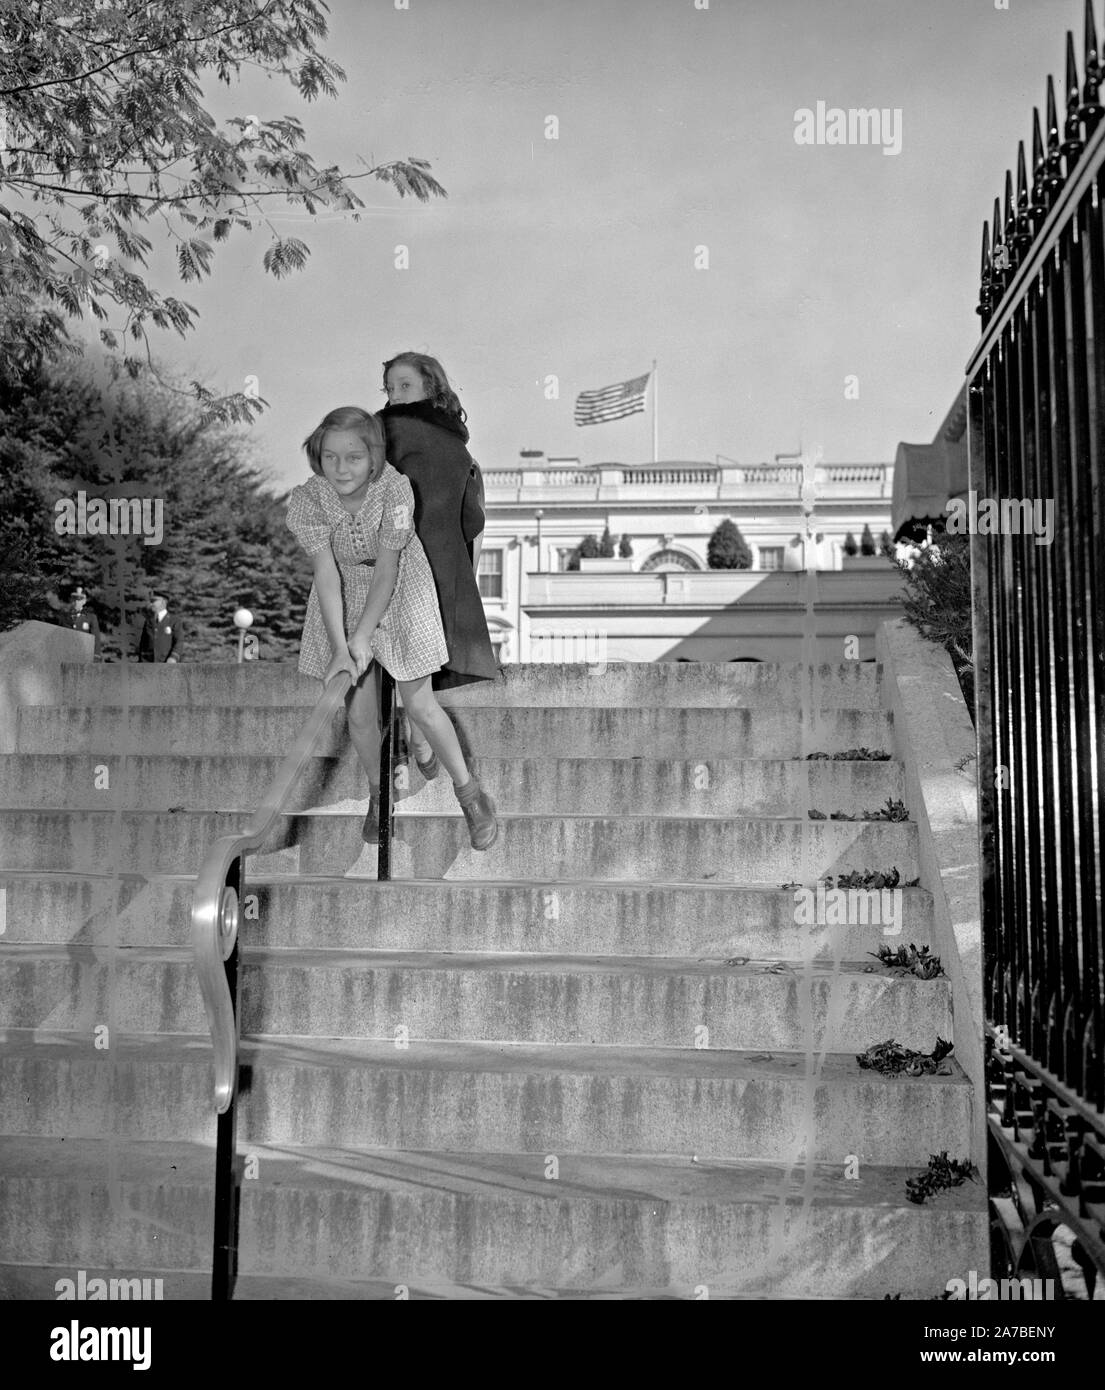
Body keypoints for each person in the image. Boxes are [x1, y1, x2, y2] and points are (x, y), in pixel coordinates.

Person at [285, 405, 498, 850]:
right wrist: (343, 647)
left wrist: (364, 637)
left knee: (419, 705)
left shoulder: (395, 489)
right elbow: (326, 575)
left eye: (354, 457)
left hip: (400, 587)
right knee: (359, 713)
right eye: (330, 457)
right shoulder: (308, 500)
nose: (341, 468)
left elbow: (387, 569)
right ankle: (380, 794)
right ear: (317, 457)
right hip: (344, 589)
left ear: (375, 456)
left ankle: (470, 794)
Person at [377, 351, 502, 774]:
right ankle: (416, 739)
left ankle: (409, 745)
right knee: (417, 654)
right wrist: (465, 581)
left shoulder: (384, 431)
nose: (394, 396)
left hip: (402, 554)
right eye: (390, 388)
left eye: (404, 386)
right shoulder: (462, 450)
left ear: (430, 387)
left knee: (395, 648)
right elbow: (475, 524)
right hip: (442, 562)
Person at [137, 593, 180, 663]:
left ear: (163, 602)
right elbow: (143, 644)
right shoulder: (148, 621)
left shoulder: (174, 621)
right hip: (147, 665)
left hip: (166, 663)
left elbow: (179, 641)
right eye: (151, 601)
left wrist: (174, 657)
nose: (151, 604)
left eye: (154, 601)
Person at [65, 586, 102, 659]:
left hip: (84, 654)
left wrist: (96, 654)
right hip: (67, 654)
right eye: (74, 599)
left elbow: (96, 637)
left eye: (79, 599)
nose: (76, 602)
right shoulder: (65, 617)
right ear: (71, 600)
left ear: (84, 601)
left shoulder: (91, 617)